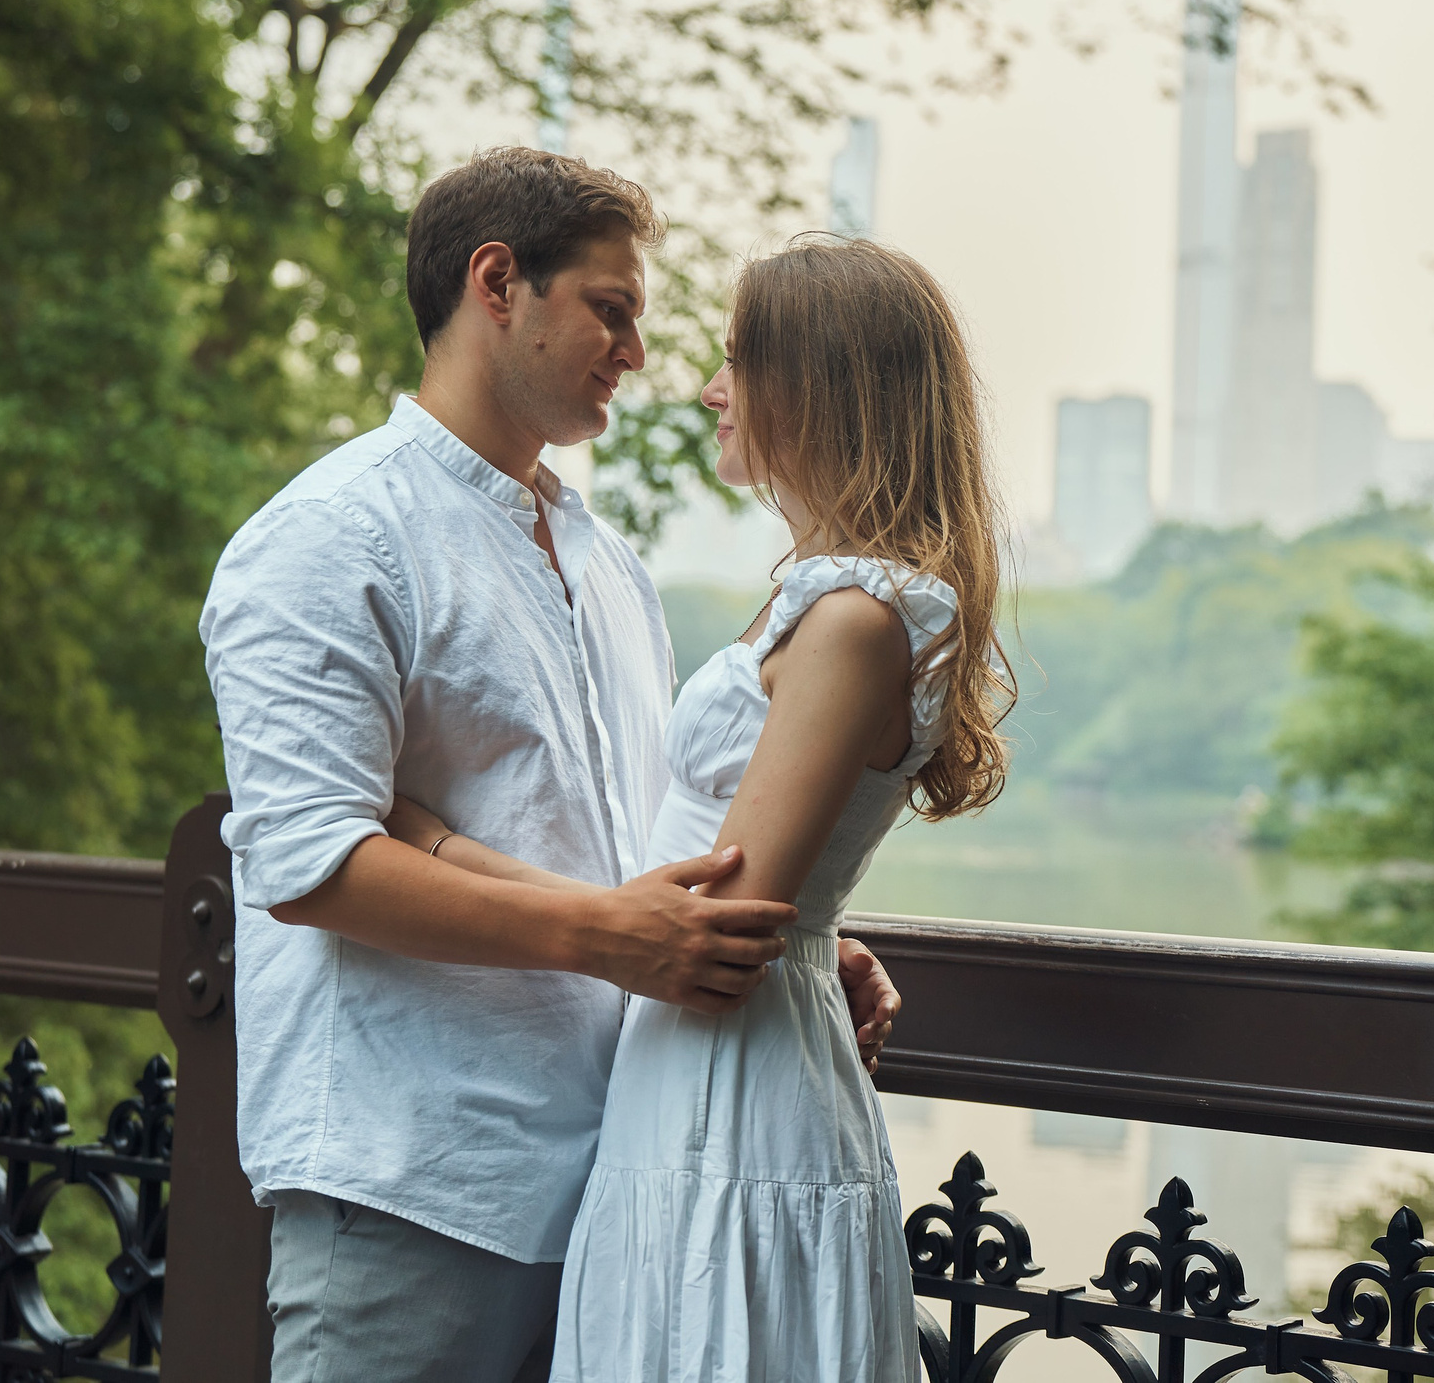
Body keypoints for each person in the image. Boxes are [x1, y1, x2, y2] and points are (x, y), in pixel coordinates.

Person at [199, 150, 904, 1383]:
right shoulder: (328, 538)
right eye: (612, 308)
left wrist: (769, 941)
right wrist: (607, 936)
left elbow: (627, 844)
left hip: (626, 1190)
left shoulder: (609, 566)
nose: (639, 352)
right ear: (496, 285)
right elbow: (310, 867)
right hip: (418, 1190)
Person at [386, 237, 1013, 1382]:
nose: (711, 388)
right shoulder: (826, 600)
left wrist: (436, 844)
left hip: (735, 1086)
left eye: (737, 360)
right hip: (692, 1064)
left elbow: (709, 921)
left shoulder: (856, 618)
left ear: (820, 386)